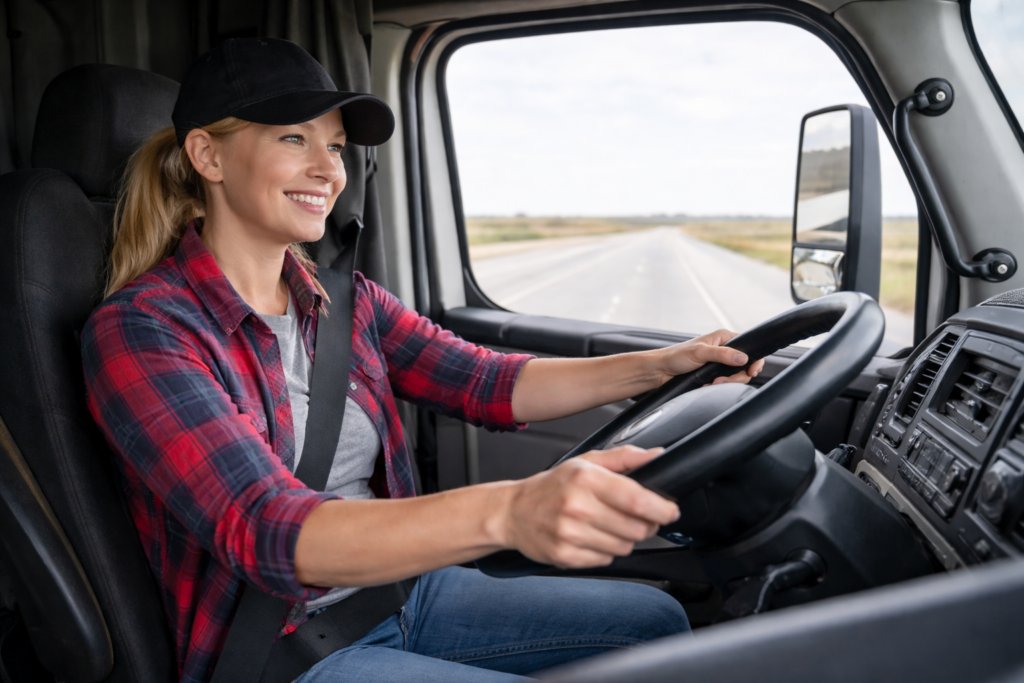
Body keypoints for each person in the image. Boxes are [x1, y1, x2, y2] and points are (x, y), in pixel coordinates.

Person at [81, 38, 764, 683]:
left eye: (337, 146)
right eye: (295, 138)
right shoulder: (144, 330)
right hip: (280, 648)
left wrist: (663, 367)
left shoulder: (343, 302)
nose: (329, 170)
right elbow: (267, 528)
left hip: (403, 593)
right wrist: (512, 511)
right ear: (208, 155)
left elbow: (487, 380)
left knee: (658, 622)